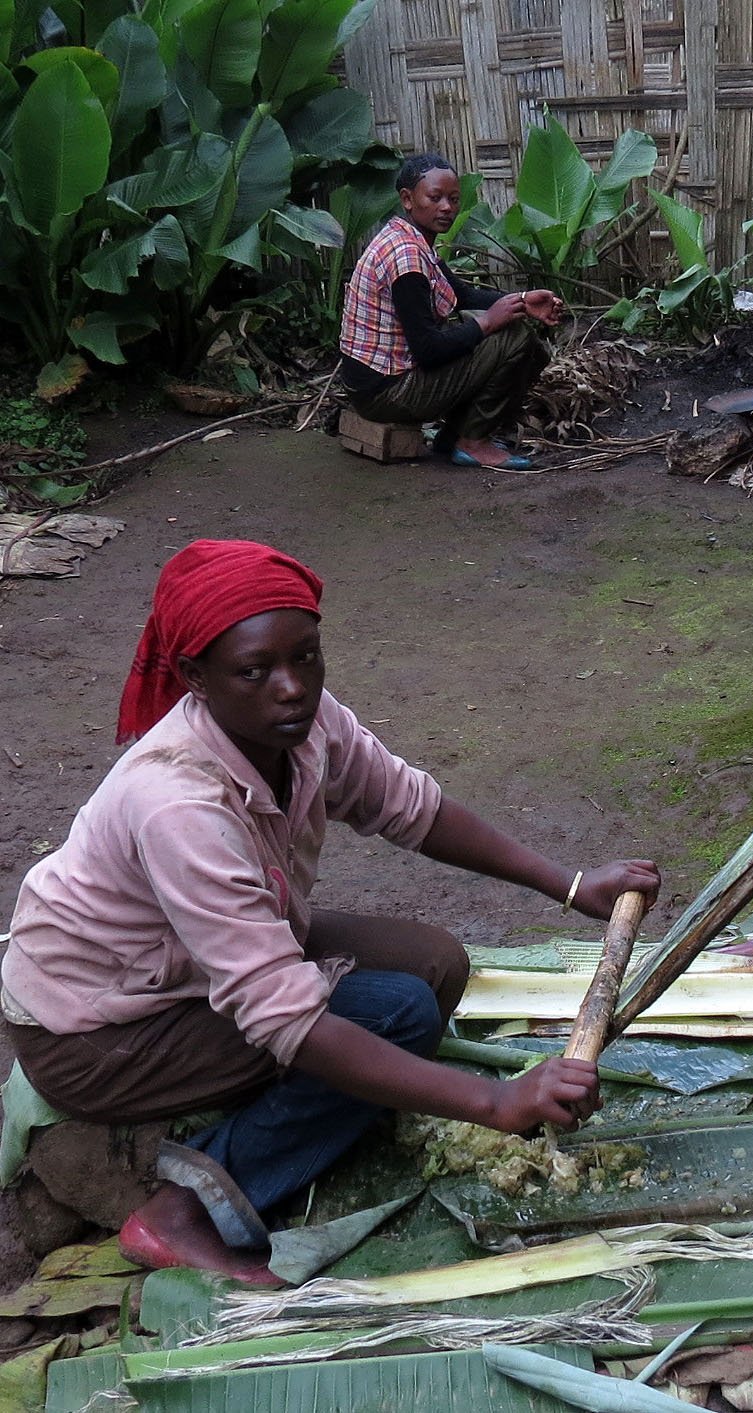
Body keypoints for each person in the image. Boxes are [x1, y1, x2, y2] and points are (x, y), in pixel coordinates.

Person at [0, 539, 660, 1282]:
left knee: (434, 963)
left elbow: (410, 806)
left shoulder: (304, 724)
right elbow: (284, 1017)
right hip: (97, 1029)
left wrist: (569, 884)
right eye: (254, 671)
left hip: (188, 967)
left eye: (306, 658)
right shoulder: (175, 801)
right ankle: (185, 1207)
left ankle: (309, 1106)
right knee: (396, 1015)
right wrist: (495, 1099)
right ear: (196, 678)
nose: (291, 688)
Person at [340, 152, 565, 470]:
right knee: (514, 338)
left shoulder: (409, 239)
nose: (446, 207)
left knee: (530, 347)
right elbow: (428, 350)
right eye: (435, 197)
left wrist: (523, 300)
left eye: (454, 199)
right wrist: (489, 321)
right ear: (407, 199)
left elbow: (460, 295)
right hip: (385, 393)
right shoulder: (406, 258)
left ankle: (453, 436)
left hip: (374, 384)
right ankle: (473, 441)